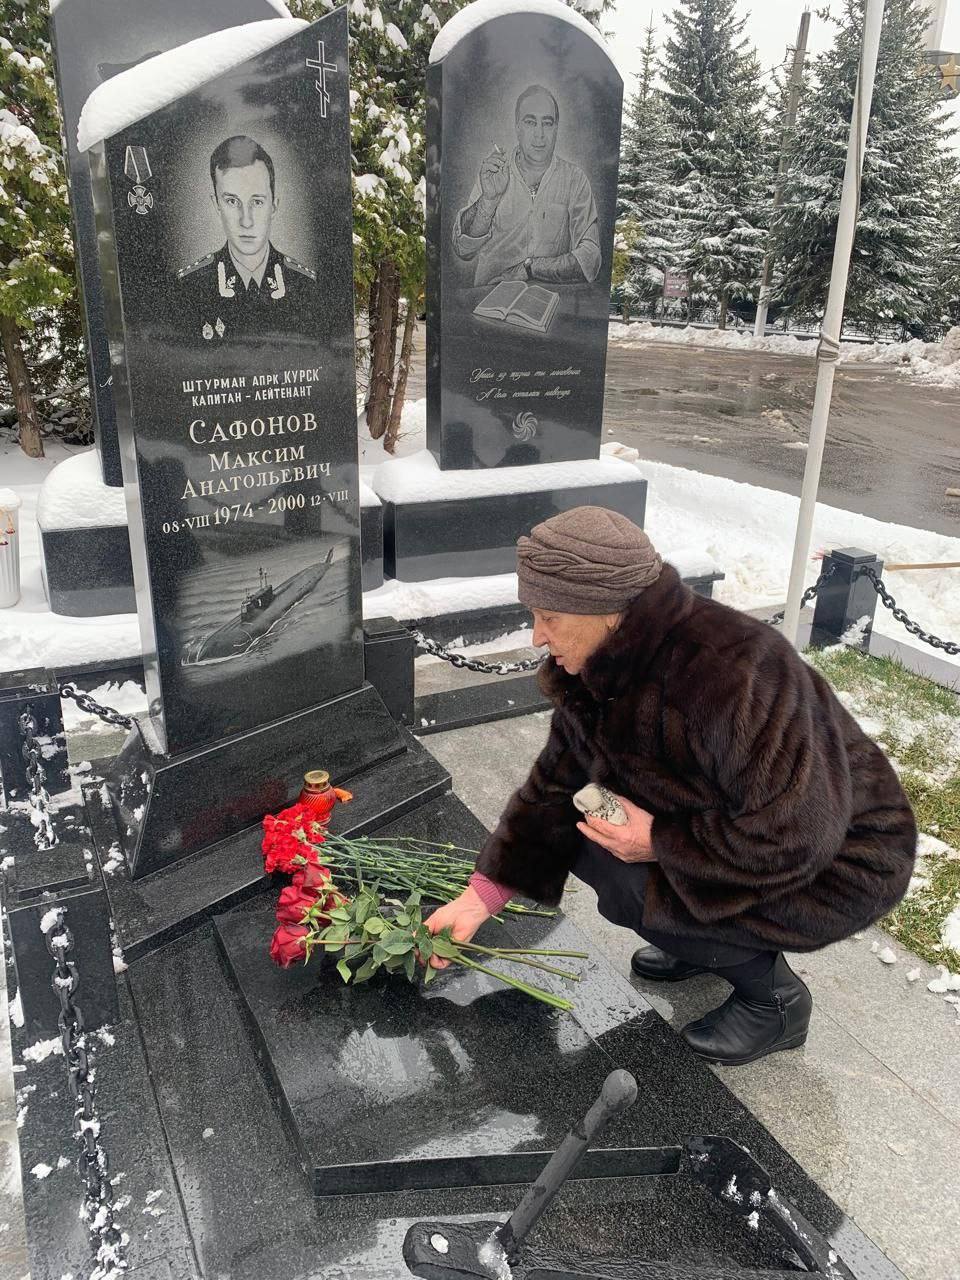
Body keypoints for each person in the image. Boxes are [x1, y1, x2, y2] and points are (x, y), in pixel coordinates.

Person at [426, 507, 917, 1067]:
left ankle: (774, 1000)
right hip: (745, 828)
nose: (538, 637)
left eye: (550, 617)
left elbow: (798, 834)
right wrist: (478, 900)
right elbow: (556, 784)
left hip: (842, 859)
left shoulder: (731, 673)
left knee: (631, 877)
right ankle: (705, 946)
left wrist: (660, 842)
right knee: (584, 829)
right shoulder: (600, 663)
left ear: (607, 610)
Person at [452, 85, 601, 288]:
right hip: (490, 294)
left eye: (547, 123)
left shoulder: (575, 179)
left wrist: (530, 268)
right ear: (517, 127)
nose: (539, 134)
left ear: (556, 128)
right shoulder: (494, 173)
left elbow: (591, 258)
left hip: (547, 299)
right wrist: (488, 200)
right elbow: (463, 250)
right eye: (530, 122)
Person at [176, 135, 318, 342]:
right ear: (216, 204)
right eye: (232, 201)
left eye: (257, 202)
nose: (246, 221)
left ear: (274, 206)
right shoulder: (189, 287)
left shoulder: (305, 285)